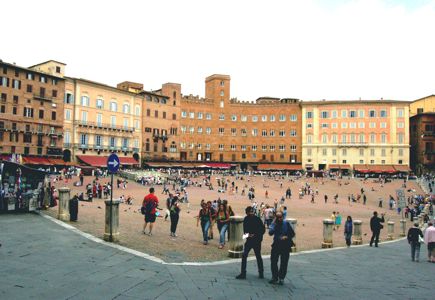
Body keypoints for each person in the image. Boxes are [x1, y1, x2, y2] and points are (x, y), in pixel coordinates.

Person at [236, 206, 265, 280]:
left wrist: (254, 235)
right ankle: (243, 273)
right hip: (249, 240)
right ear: (247, 213)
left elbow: (262, 230)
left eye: (252, 212)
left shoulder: (257, 219)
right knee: (245, 255)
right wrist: (248, 235)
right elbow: (245, 231)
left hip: (256, 241)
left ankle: (261, 272)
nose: (251, 213)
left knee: (258, 256)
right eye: (250, 212)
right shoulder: (246, 219)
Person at [268, 211, 295, 285]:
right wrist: (274, 224)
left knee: (284, 263)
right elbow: (270, 233)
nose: (279, 219)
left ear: (283, 217)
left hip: (285, 245)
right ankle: (275, 277)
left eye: (280, 217)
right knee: (273, 261)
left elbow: (292, 234)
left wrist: (286, 236)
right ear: (275, 217)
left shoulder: (286, 224)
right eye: (277, 217)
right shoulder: (274, 224)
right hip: (276, 245)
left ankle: (281, 278)